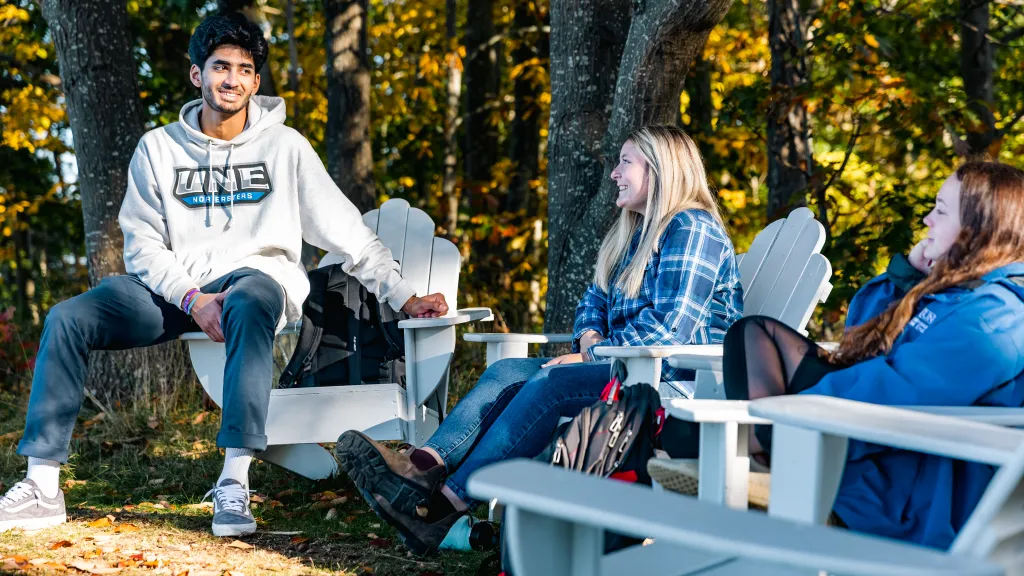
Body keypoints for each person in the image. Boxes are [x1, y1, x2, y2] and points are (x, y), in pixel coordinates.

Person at [0, 13, 448, 537]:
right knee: (68, 318)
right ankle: (43, 486)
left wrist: (405, 295)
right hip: (177, 287)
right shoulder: (158, 149)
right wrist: (192, 298)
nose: (231, 78)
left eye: (243, 69)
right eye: (219, 67)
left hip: (258, 281)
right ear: (197, 75)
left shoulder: (286, 148)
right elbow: (142, 245)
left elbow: (349, 233)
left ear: (256, 81)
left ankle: (234, 481)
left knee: (249, 298)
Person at [335, 125, 745, 555]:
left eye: (625, 162)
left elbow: (669, 329)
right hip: (621, 365)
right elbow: (594, 301)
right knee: (507, 370)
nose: (614, 174)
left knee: (548, 385)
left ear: (661, 170)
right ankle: (421, 468)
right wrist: (590, 340)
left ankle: (442, 507)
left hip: (669, 382)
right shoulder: (633, 235)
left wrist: (592, 355)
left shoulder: (690, 228)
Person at [715, 161, 1024, 549]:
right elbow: (859, 339)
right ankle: (759, 448)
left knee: (692, 436)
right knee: (754, 333)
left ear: (980, 226)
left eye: (941, 211)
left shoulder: (996, 318)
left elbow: (903, 392)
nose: (928, 220)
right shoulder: (960, 292)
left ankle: (760, 450)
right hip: (882, 451)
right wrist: (907, 276)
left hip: (908, 495)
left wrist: (794, 416)